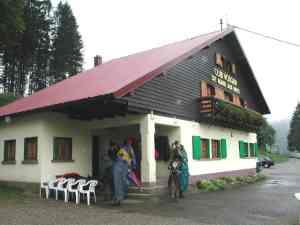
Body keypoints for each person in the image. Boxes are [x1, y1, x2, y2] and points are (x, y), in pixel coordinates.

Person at [110, 142, 130, 206]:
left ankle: (118, 199)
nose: (113, 148)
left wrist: (126, 170)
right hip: (116, 170)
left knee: (119, 185)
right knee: (116, 185)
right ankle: (117, 199)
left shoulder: (121, 151)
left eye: (114, 147)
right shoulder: (115, 152)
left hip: (120, 171)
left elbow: (128, 160)